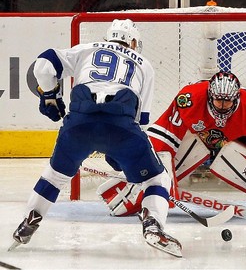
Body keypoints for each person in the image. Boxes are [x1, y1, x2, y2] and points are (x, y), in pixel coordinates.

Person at [10, 19, 182, 258]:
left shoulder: (86, 49)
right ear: (132, 41)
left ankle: (29, 221)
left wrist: (50, 95)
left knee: (55, 176)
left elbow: (43, 64)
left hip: (78, 124)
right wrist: (121, 155)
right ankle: (153, 225)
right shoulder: (144, 65)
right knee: (157, 180)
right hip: (121, 128)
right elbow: (140, 122)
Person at [99, 71, 246, 218]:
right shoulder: (189, 99)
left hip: (234, 147)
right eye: (218, 100)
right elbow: (164, 139)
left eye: (227, 101)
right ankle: (124, 196)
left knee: (233, 158)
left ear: (237, 98)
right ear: (210, 95)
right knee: (160, 162)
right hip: (194, 141)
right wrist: (165, 183)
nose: (222, 106)